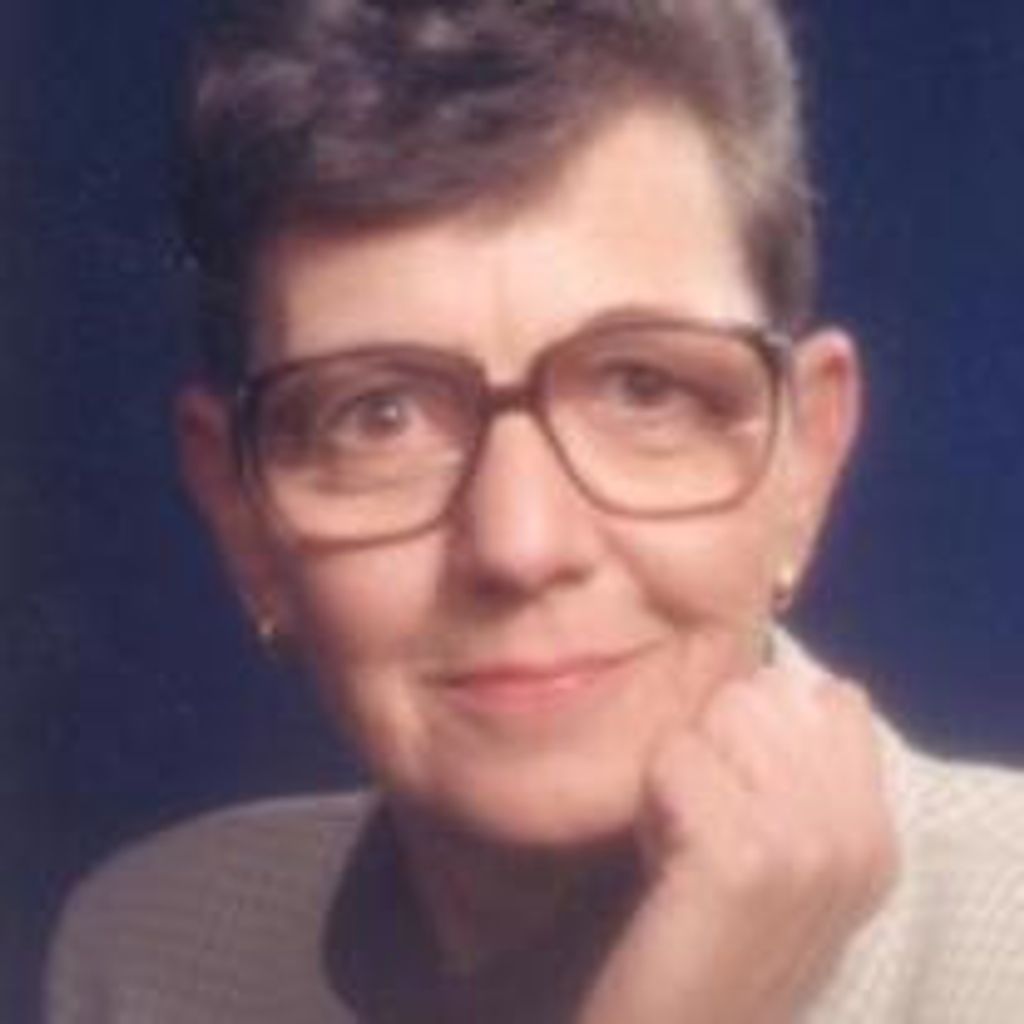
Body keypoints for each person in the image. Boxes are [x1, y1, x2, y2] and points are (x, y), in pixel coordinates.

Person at [45, 1, 1024, 1021]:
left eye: (642, 388)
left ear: (804, 461)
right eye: (380, 415)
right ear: (240, 514)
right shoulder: (143, 955)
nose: (520, 543)